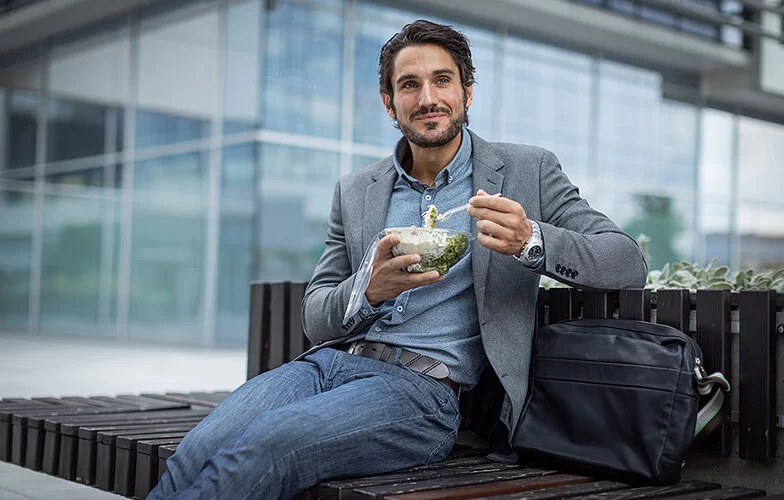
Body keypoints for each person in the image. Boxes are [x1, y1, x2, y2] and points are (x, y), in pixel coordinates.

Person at [148, 19, 647, 500]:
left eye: (442, 80)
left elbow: (626, 262)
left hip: (420, 393)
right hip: (326, 366)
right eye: (409, 85)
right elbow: (317, 314)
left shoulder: (525, 170)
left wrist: (531, 238)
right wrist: (369, 289)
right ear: (390, 103)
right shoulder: (356, 191)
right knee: (197, 450)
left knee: (265, 448)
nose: (428, 98)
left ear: (467, 93)